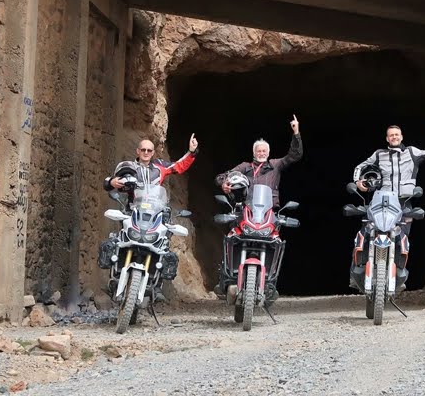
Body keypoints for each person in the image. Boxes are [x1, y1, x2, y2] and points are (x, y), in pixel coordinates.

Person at [97, 134, 198, 300]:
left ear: (153, 153)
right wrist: (112, 182)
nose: (145, 152)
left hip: (155, 213)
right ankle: (116, 271)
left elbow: (178, 166)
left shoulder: (159, 167)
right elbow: (111, 181)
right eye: (143, 149)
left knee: (163, 243)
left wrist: (192, 152)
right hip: (132, 211)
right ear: (137, 151)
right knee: (121, 239)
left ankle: (156, 284)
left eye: (149, 150)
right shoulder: (128, 166)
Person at [348, 115, 425, 289]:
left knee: (402, 238)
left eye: (397, 135)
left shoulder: (412, 152)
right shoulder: (379, 154)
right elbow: (360, 166)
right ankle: (356, 273)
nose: (394, 137)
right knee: (365, 233)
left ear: (401, 136)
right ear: (387, 138)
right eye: (391, 135)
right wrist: (358, 182)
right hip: (382, 202)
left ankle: (399, 276)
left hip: (404, 203)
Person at [213, 115, 302, 302]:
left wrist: (296, 133)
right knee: (231, 236)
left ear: (268, 152)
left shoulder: (275, 166)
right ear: (254, 152)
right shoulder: (245, 167)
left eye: (264, 150)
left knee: (276, 242)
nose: (261, 153)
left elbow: (295, 155)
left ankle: (270, 281)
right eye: (258, 150)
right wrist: (224, 184)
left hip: (268, 213)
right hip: (246, 210)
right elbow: (223, 176)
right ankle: (227, 275)